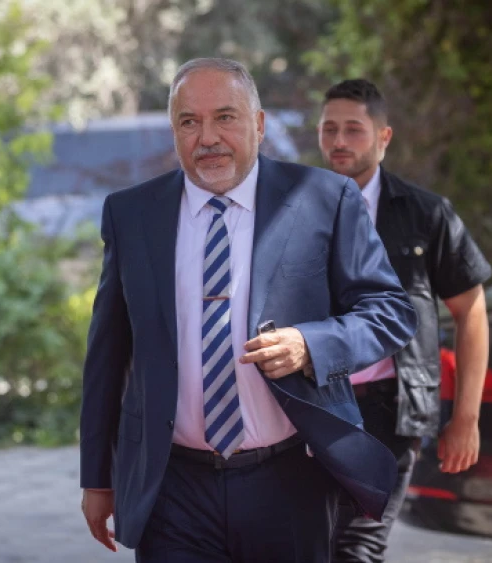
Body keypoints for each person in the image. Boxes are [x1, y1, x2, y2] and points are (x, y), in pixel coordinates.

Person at [78, 58, 418, 563]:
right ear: (174, 132)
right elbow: (107, 355)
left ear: (257, 123)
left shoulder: (324, 199)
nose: (207, 137)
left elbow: (391, 311)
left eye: (225, 117)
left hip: (289, 481)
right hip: (173, 488)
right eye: (189, 122)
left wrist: (312, 344)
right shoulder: (132, 214)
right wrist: (97, 479)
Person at [317, 79, 492, 562]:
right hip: (313, 403)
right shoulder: (297, 208)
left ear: (384, 137)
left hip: (387, 411)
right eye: (329, 128)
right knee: (310, 545)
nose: (338, 141)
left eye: (353, 129)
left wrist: (466, 419)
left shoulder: (426, 215)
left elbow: (471, 311)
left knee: (358, 548)